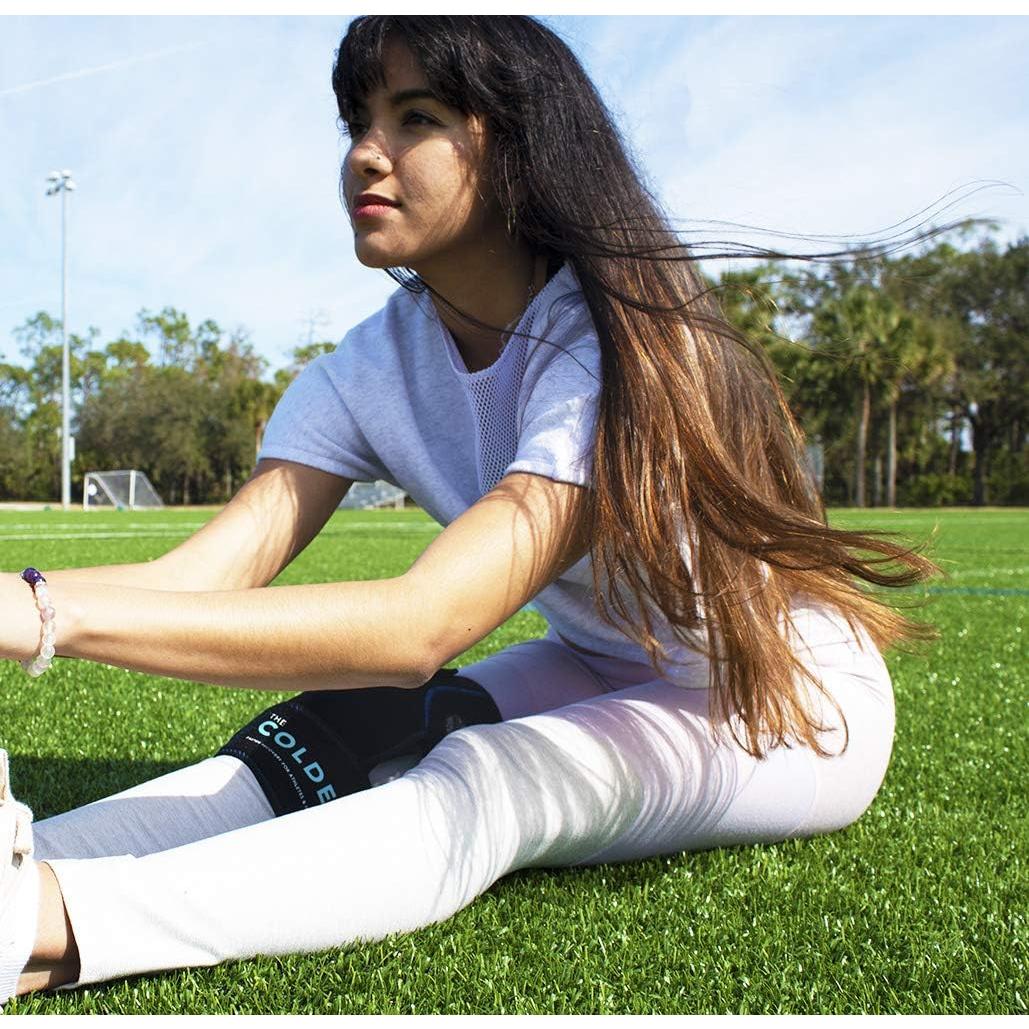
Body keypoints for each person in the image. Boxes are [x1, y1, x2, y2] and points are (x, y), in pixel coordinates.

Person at [0, 15, 935, 1007]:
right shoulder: (364, 368)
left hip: (780, 701)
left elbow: (421, 625)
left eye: (417, 118)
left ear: (520, 150)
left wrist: (47, 614)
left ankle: (40, 926)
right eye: (359, 119)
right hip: (598, 658)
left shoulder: (609, 345)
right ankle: (38, 861)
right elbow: (202, 578)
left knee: (492, 779)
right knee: (330, 734)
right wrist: (25, 597)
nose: (366, 152)